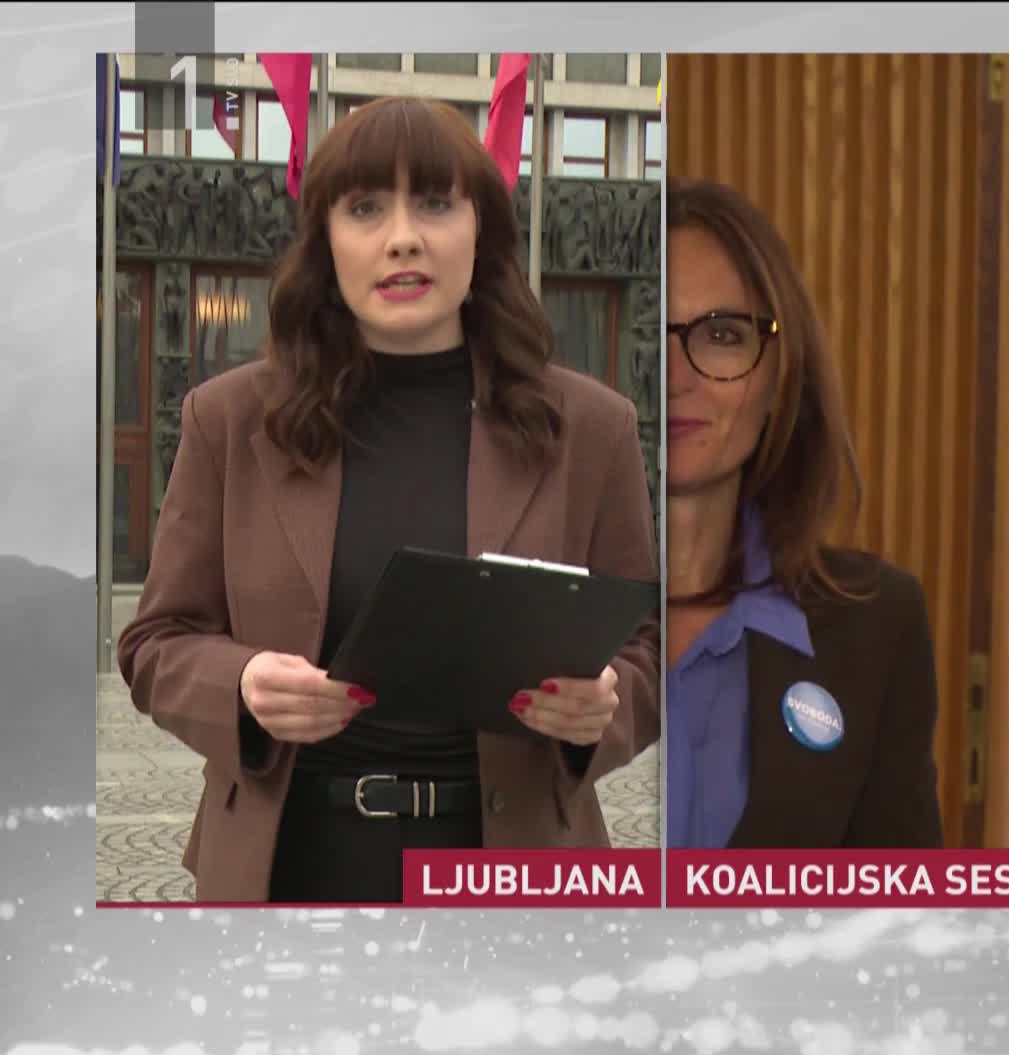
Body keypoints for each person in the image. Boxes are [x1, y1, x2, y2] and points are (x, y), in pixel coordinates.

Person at [116, 96, 662, 904]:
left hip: (513, 872)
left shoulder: (591, 428)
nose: (402, 236)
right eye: (366, 208)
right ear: (326, 241)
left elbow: (650, 644)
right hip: (287, 867)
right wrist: (242, 684)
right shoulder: (228, 419)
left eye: (435, 203)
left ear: (481, 231)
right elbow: (155, 644)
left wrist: (602, 710)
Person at [661, 177, 943, 849]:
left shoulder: (876, 625)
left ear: (780, 378)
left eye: (721, 335)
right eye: (650, 330)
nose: (673, 377)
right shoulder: (526, 608)